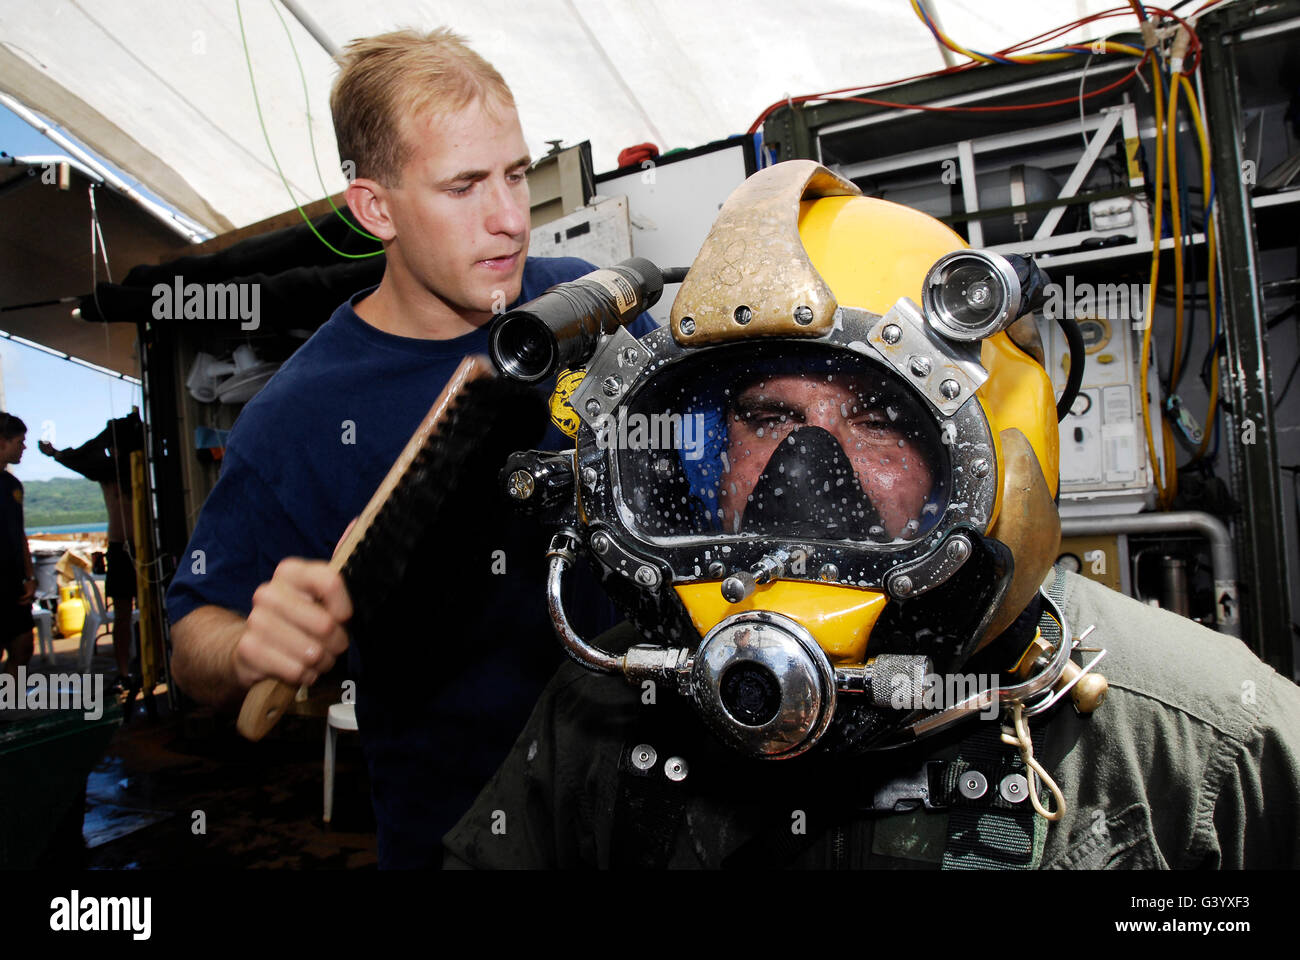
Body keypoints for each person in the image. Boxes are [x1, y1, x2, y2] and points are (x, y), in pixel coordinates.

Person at [443, 161, 1300, 869]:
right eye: (768, 418)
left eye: (879, 419)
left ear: (989, 456)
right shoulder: (603, 705)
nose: (802, 473)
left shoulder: (1208, 744)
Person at [164, 28, 652, 867]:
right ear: (376, 209)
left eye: (514, 174)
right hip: (464, 838)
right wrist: (247, 646)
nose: (508, 218)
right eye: (464, 186)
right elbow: (188, 638)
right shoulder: (301, 415)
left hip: (652, 800)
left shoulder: (582, 306)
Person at [39, 411, 143, 691]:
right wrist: (55, 454)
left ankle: (148, 666)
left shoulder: (143, 467)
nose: (112, 450)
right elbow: (81, 459)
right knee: (122, 616)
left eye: (115, 445)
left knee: (150, 610)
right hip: (120, 549)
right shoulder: (107, 472)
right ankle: (124, 673)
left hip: (146, 548)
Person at [0, 413, 35, 681]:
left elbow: (19, 534)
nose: (24, 447)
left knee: (23, 647)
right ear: (2, 442)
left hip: (13, 583)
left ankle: (8, 704)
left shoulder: (13, 485)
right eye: (19, 442)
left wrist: (30, 577)